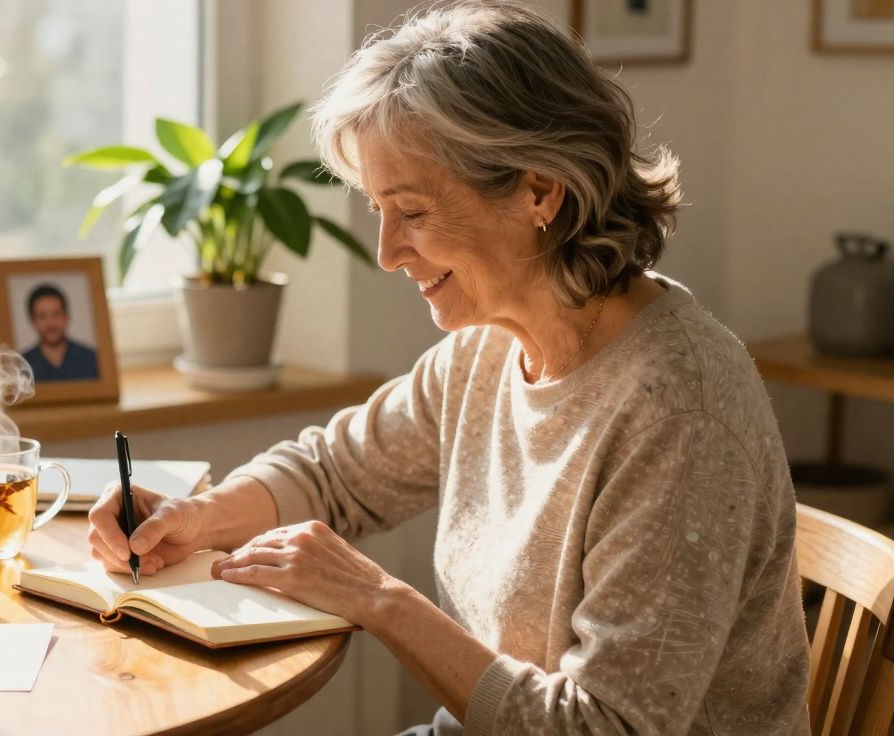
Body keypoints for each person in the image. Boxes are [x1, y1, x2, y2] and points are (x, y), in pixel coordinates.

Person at [87, 3, 810, 735]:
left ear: (539, 192)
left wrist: (379, 599)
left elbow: (605, 730)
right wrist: (197, 518)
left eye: (413, 212)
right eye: (377, 208)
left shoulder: (679, 411)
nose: (387, 252)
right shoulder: (489, 348)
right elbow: (336, 473)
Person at [20, 283, 99, 382]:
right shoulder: (22, 366)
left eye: (56, 314)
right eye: (42, 316)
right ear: (33, 321)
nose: (51, 323)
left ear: (66, 317)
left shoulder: (92, 359)